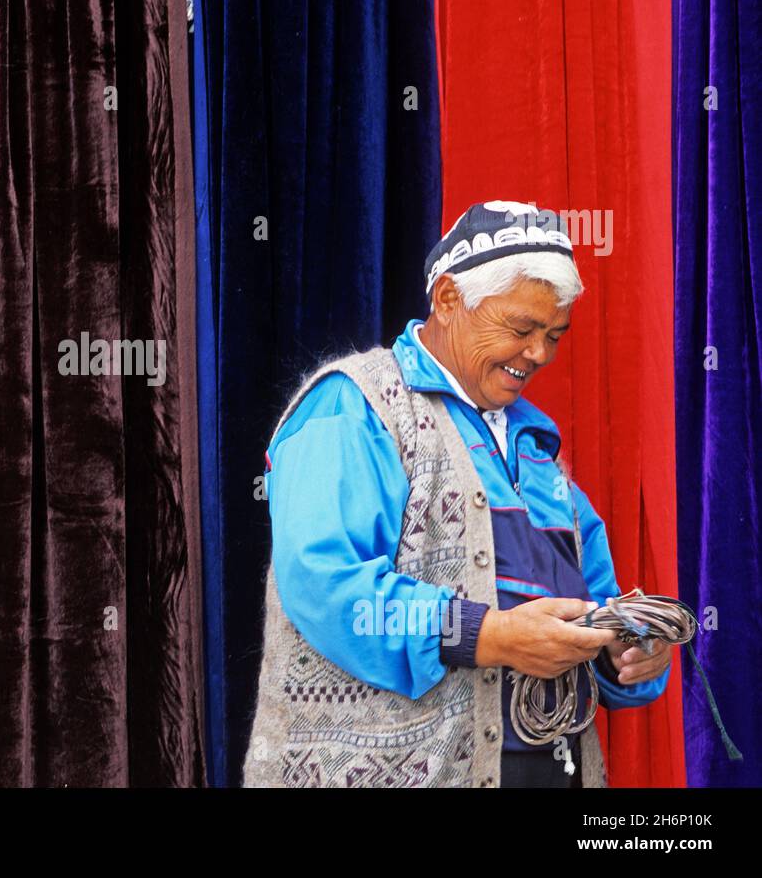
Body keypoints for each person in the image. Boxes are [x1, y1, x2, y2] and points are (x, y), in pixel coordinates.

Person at [243, 201, 671, 788]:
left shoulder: (536, 447)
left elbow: (598, 603)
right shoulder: (355, 407)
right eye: (522, 329)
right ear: (448, 301)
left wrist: (629, 653)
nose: (540, 354)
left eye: (553, 335)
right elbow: (326, 585)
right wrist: (490, 636)